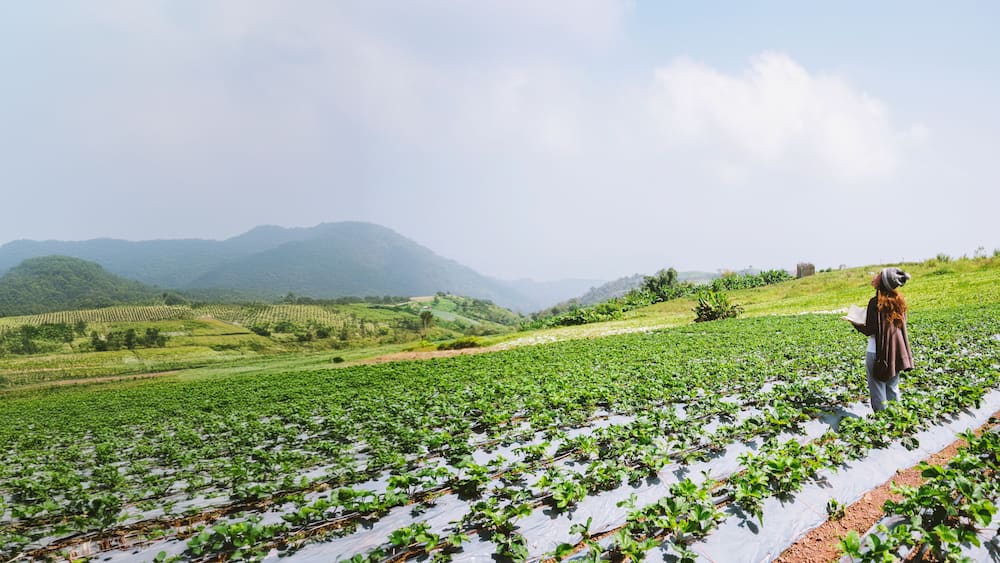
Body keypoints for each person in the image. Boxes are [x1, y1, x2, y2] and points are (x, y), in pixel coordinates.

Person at [851, 267, 914, 411]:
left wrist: (854, 321)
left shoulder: (875, 303)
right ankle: (896, 421)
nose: (875, 276)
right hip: (895, 352)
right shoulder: (899, 302)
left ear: (882, 282)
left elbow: (870, 330)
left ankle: (882, 425)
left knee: (878, 390)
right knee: (892, 388)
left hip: (877, 353)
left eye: (878, 275)